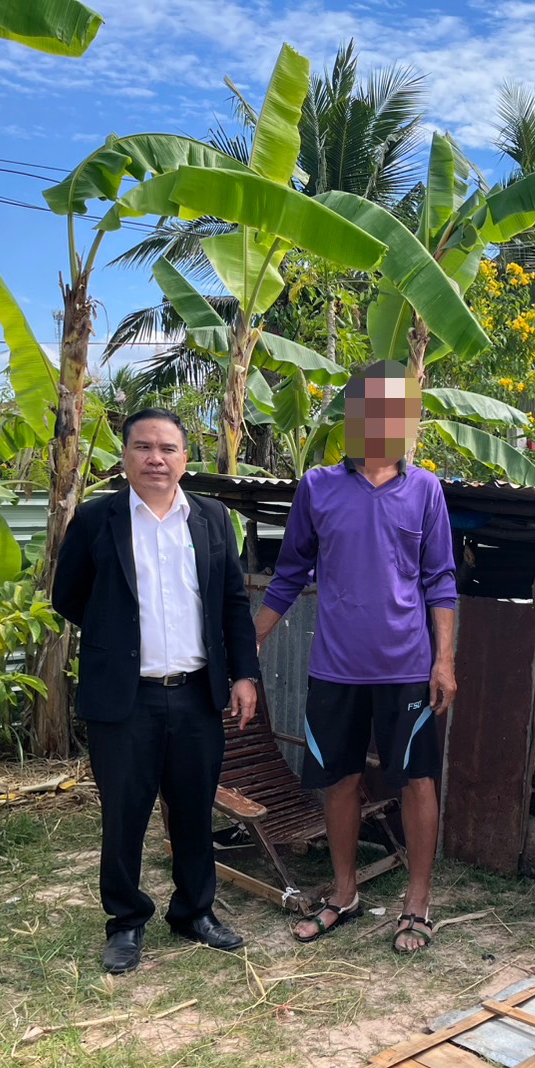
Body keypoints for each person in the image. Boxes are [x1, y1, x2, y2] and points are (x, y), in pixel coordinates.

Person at [254, 360, 458, 954]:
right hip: (334, 669)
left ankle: (417, 901)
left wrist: (444, 661)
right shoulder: (317, 487)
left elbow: (440, 580)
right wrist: (252, 639)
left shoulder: (425, 490)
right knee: (339, 782)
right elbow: (289, 574)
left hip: (407, 669)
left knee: (417, 781)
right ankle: (344, 894)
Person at [53, 408, 260, 975]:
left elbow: (233, 602)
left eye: (168, 449)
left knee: (193, 809)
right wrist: (115, 639)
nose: (155, 459)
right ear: (124, 457)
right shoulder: (97, 519)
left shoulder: (211, 518)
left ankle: (194, 912)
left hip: (195, 694)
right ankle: (126, 920)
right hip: (126, 697)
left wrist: (244, 674)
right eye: (143, 447)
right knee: (125, 814)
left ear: (184, 459)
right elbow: (68, 595)